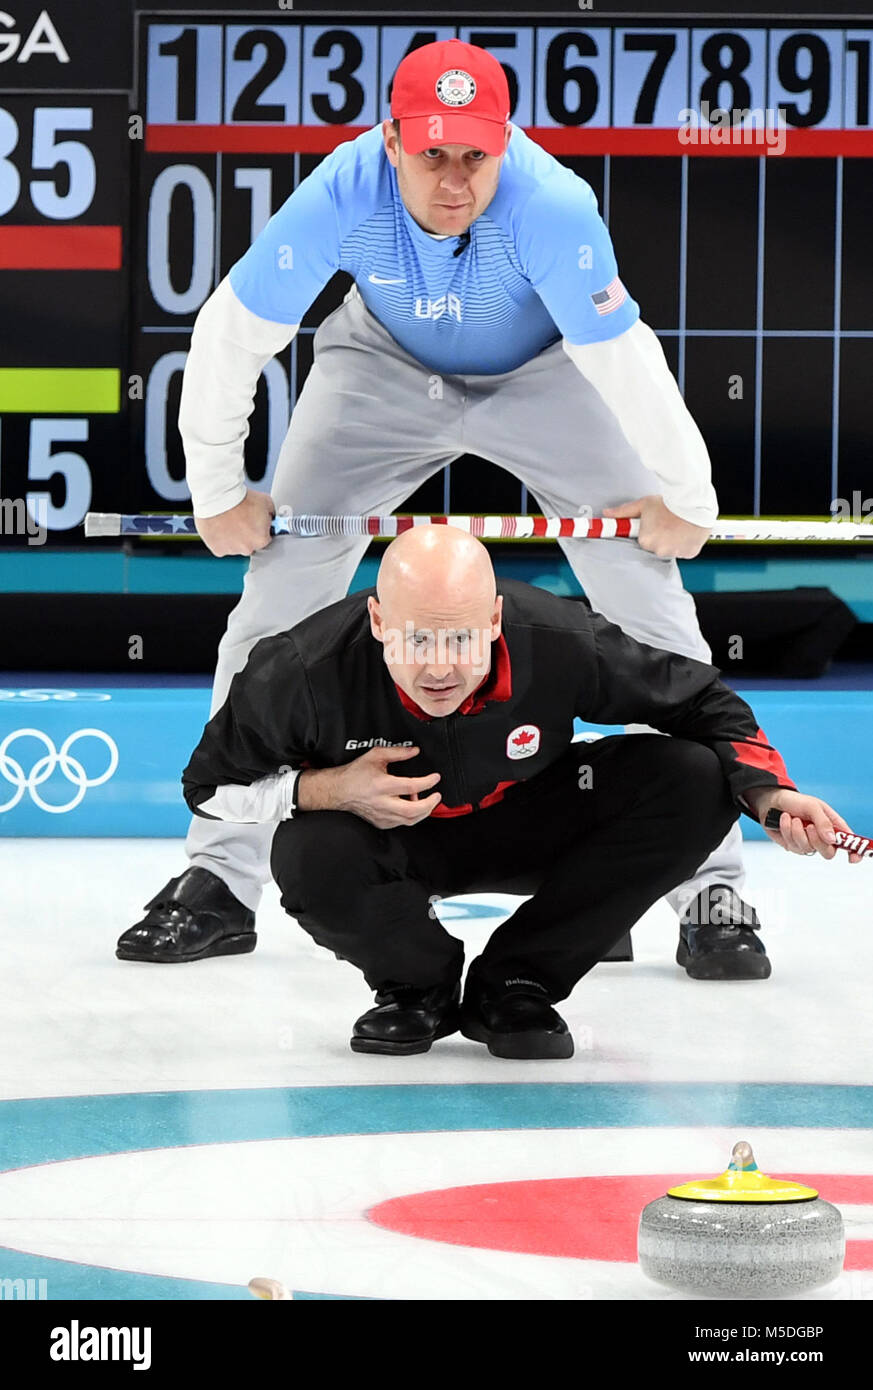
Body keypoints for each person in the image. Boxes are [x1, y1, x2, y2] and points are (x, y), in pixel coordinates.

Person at [120, 38, 763, 977]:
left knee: (648, 599)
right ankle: (220, 878)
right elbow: (232, 331)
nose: (455, 179)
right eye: (432, 154)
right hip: (377, 366)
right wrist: (217, 489)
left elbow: (624, 358)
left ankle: (714, 885)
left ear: (504, 144)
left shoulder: (550, 206)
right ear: (390, 141)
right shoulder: (341, 190)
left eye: (476, 155)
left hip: (548, 373)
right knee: (273, 607)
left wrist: (686, 497)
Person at [179, 526, 860, 1060]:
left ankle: (518, 981)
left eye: (462, 639)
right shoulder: (298, 670)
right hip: (383, 839)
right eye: (416, 638)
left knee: (695, 777)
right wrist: (323, 788)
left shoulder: (558, 638)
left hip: (529, 819)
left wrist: (769, 794)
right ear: (378, 621)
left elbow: (703, 702)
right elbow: (207, 790)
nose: (440, 666)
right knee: (306, 849)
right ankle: (416, 987)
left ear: (497, 619)